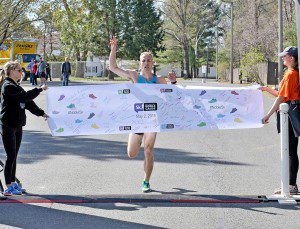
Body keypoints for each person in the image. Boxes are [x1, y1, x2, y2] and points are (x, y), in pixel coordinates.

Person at [109, 36, 177, 192]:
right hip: (137, 119)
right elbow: (113, 67)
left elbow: (173, 95)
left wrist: (173, 82)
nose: (146, 63)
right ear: (140, 63)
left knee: (148, 149)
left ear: (152, 63)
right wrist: (113, 48)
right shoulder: (134, 76)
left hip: (153, 120)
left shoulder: (159, 80)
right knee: (132, 153)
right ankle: (137, 139)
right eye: (143, 61)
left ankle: (146, 181)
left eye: (149, 60)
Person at [0, 61, 48, 196]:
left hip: (17, 125)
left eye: (22, 70)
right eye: (19, 70)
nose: (22, 73)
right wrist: (39, 89)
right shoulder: (8, 86)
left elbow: (28, 103)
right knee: (10, 156)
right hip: (8, 125)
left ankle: (13, 183)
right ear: (11, 71)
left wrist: (41, 113)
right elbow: (25, 96)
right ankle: (8, 186)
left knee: (14, 156)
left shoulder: (16, 86)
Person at [260, 46, 299, 194]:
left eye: (285, 56)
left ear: (292, 59)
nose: (283, 58)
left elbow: (282, 98)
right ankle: (291, 185)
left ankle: (291, 185)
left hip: (290, 113)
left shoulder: (291, 74)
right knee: (290, 149)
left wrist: (267, 115)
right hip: (288, 110)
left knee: (290, 150)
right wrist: (266, 89)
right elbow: (282, 94)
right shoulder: (291, 73)